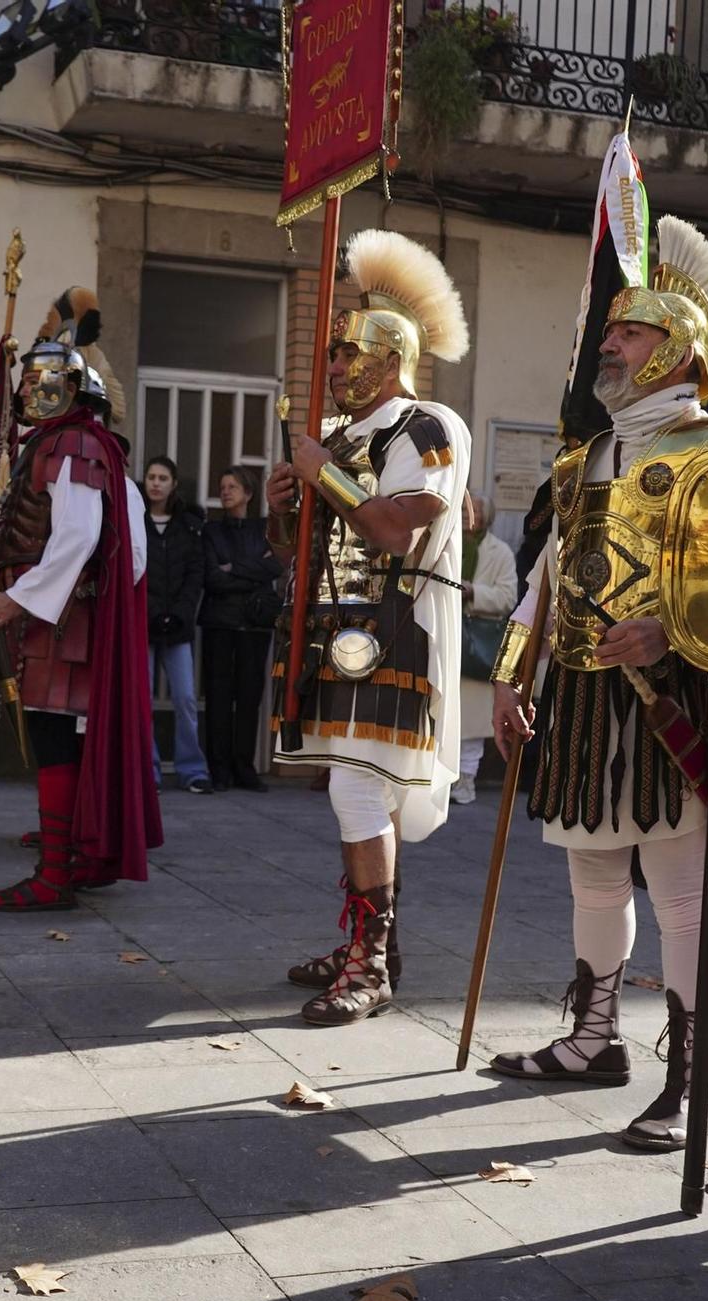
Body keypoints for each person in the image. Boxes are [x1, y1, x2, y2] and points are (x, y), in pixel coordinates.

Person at [488, 216, 708, 1148]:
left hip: (674, 698)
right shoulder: (580, 459)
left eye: (628, 333)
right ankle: (595, 1037)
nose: (609, 342)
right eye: (611, 333)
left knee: (680, 893)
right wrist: (512, 679)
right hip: (586, 701)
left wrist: (675, 627)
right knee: (593, 879)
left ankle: (693, 1074)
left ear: (675, 346)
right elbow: (543, 581)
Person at [267, 230, 471, 1025]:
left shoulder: (428, 426)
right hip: (336, 631)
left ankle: (372, 961)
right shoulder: (346, 438)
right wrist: (289, 507)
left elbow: (399, 534)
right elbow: (304, 549)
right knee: (358, 793)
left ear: (390, 357)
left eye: (349, 356)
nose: (336, 369)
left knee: (359, 787)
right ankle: (366, 940)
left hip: (397, 627)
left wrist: (325, 473)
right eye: (333, 359)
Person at [0, 284, 161, 911]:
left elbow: (80, 535)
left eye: (36, 383)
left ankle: (55, 875)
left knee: (55, 736)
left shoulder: (75, 444)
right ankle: (70, 856)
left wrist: (21, 599)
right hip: (66, 619)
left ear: (69, 388)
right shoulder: (66, 444)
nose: (26, 393)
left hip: (65, 622)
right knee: (63, 737)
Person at [198, 464, 282, 792]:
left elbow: (274, 565)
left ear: (248, 493)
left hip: (255, 624)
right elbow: (212, 578)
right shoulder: (211, 531)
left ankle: (244, 767)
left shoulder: (265, 528)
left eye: (232, 486)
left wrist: (234, 568)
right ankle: (219, 769)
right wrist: (251, 570)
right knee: (218, 697)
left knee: (250, 697)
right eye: (222, 485)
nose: (226, 491)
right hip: (219, 623)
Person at [142, 456, 212, 794]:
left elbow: (195, 573)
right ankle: (148, 770)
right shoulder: (134, 521)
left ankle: (192, 770)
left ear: (173, 484)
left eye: (162, 478)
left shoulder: (188, 525)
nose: (155, 483)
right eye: (151, 477)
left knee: (184, 698)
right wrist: (153, 611)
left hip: (179, 626)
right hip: (143, 625)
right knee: (142, 700)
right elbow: (135, 572)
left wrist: (181, 612)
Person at [454, 493, 516, 806]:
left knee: (474, 720)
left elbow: (508, 597)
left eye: (475, 511)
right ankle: (446, 779)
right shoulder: (445, 543)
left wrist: (473, 591)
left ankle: (466, 781)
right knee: (446, 714)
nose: (467, 516)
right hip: (449, 637)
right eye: (465, 510)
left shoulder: (500, 552)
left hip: (478, 641)